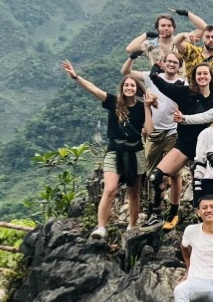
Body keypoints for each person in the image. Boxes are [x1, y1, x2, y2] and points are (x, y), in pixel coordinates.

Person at [61, 60, 152, 239]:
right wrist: (76, 77)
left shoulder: (142, 107)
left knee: (134, 192)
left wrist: (148, 107)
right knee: (110, 189)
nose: (129, 87)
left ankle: (132, 226)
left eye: (132, 85)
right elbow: (93, 89)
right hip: (114, 150)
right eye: (126, 85)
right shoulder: (113, 102)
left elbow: (149, 130)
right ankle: (101, 227)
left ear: (137, 89)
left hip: (136, 152)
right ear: (122, 88)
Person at [148, 63, 213, 228]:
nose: (202, 76)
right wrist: (154, 74)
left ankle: (209, 222)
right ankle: (165, 213)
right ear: (194, 77)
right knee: (158, 177)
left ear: (211, 77)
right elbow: (165, 87)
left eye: (205, 73)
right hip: (184, 145)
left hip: (206, 149)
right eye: (199, 74)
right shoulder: (185, 93)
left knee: (204, 189)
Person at [121, 49, 185, 217]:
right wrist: (132, 57)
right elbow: (126, 72)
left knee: (175, 174)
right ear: (163, 63)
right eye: (169, 61)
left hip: (174, 132)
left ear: (179, 67)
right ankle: (154, 207)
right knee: (151, 173)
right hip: (154, 132)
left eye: (175, 63)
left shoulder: (182, 84)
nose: (171, 65)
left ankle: (174, 209)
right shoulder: (151, 78)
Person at [123, 13, 194, 71]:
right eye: (163, 25)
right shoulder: (150, 46)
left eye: (169, 26)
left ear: (174, 28)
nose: (166, 28)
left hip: (181, 84)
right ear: (157, 28)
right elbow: (129, 49)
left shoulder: (181, 43)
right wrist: (147, 34)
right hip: (158, 84)